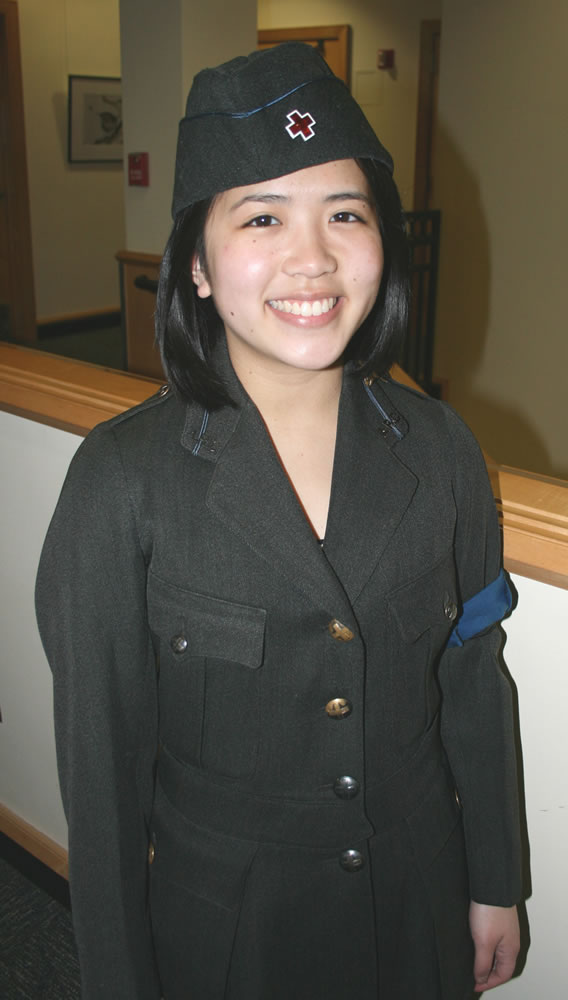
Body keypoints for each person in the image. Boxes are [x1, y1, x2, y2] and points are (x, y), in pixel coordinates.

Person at [36, 43, 522, 1000]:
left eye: (346, 213)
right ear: (200, 269)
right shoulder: (120, 484)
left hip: (416, 903)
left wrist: (495, 883)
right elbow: (101, 783)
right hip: (227, 938)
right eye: (263, 216)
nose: (314, 256)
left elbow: (473, 676)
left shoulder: (443, 451)